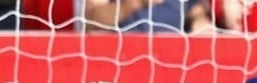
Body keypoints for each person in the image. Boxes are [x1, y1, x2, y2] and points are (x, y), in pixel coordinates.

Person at [83, 0, 216, 33]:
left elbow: (196, 12)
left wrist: (201, 24)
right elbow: (91, 22)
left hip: (173, 62)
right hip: (120, 59)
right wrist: (135, 3)